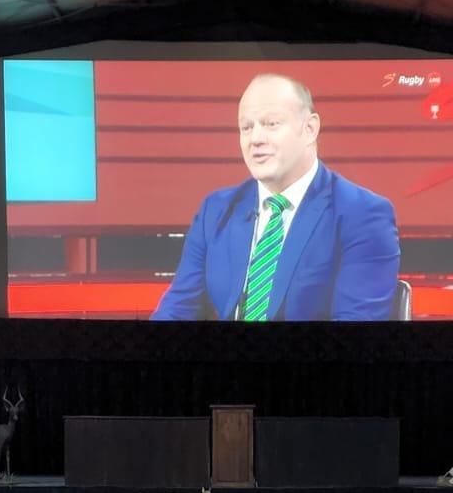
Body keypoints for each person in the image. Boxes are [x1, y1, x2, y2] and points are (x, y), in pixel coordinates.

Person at [151, 73, 401, 322]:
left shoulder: (363, 215)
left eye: (271, 124)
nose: (256, 139)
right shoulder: (215, 211)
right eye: (246, 127)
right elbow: (177, 309)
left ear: (310, 128)